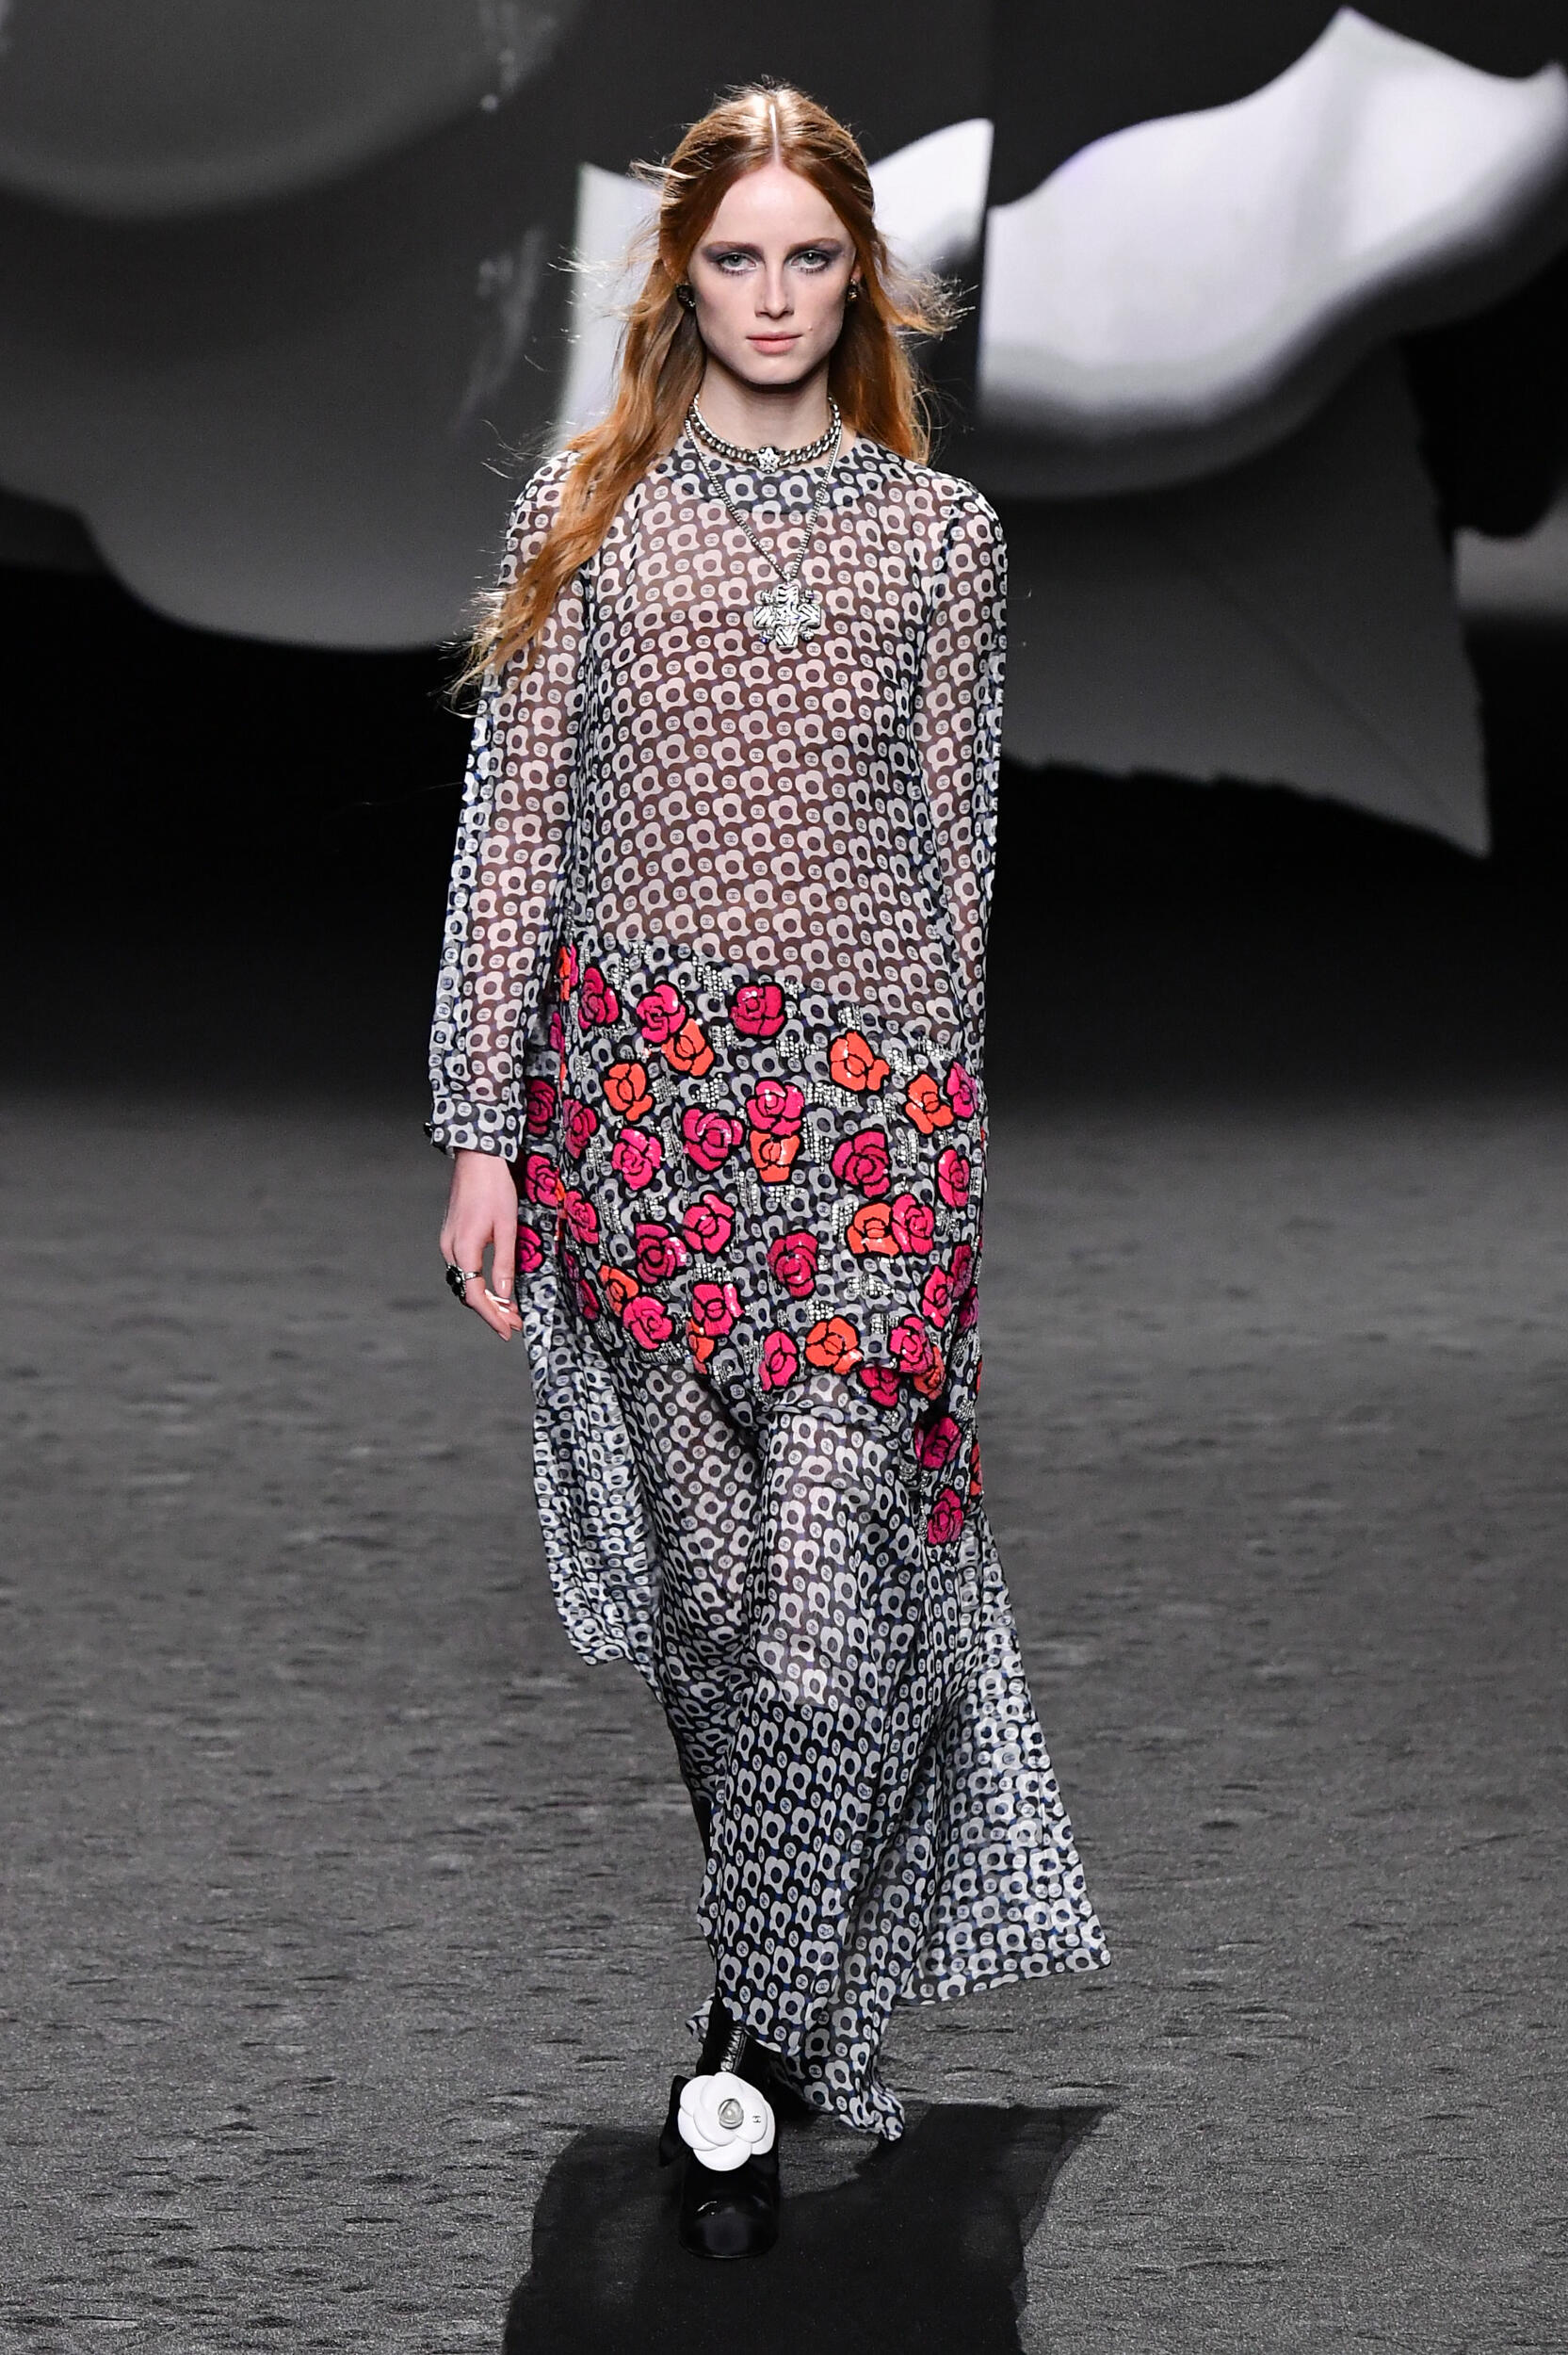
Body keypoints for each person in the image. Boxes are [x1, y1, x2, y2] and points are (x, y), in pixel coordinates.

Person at [428, 82, 1107, 2260]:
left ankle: (736, 2040)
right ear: (681, 278)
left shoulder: (939, 541)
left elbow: (957, 854)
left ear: (862, 280)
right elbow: (512, 839)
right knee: (715, 1611)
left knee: (822, 1600)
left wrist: (946, 1129)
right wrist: (479, 1127)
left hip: (869, 1128)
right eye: (737, 256)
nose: (776, 294)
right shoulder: (587, 515)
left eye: (812, 256)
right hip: (634, 1129)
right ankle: (816, 2022)